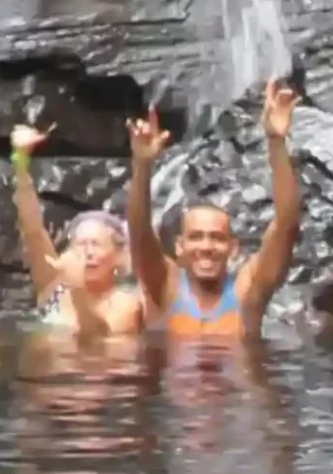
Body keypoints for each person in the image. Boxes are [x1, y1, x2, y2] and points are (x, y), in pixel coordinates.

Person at [125, 80, 303, 341]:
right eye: (196, 236)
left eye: (217, 238)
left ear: (233, 247)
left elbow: (286, 224)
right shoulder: (165, 287)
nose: (206, 246)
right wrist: (142, 166)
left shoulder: (246, 293)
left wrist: (276, 141)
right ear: (179, 246)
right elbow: (139, 231)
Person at [9, 124, 145, 338]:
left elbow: (96, 337)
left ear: (118, 257)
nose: (88, 252)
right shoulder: (52, 285)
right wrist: (20, 161)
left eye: (96, 244)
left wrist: (78, 289)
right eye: (81, 245)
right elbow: (32, 229)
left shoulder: (127, 303)